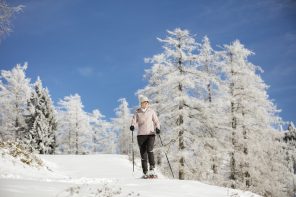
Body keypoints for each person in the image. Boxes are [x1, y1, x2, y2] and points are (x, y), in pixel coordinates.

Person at [130, 95, 160, 178]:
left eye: (146, 102)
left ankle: (152, 168)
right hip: (141, 135)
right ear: (141, 103)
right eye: (143, 102)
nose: (145, 104)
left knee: (150, 149)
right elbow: (134, 120)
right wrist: (132, 125)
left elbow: (156, 121)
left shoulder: (151, 111)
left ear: (148, 103)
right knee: (143, 154)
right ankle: (145, 172)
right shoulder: (137, 112)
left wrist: (157, 128)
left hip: (150, 134)